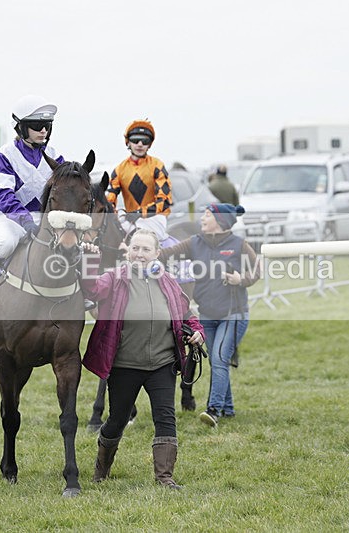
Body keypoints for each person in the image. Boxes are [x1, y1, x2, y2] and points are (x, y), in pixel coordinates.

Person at [82, 229, 204, 489]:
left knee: (166, 416)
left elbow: (186, 313)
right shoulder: (114, 278)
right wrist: (89, 260)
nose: (140, 254)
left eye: (146, 249)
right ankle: (101, 469)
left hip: (162, 364)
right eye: (135, 248)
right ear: (127, 249)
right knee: (117, 419)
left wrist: (197, 331)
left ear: (157, 253)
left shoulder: (168, 280)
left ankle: (164, 478)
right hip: (125, 365)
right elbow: (90, 289)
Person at [160, 203, 261, 428]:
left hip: (234, 315)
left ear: (221, 221)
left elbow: (257, 270)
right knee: (219, 361)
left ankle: (213, 410)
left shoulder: (238, 244)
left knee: (218, 359)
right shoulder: (195, 242)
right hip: (206, 315)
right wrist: (141, 250)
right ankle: (228, 409)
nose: (202, 219)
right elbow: (166, 254)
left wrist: (240, 280)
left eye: (207, 215)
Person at [0, 95, 63, 307]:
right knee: (3, 244)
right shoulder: (5, 155)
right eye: (37, 125)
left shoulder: (55, 156)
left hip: (45, 219)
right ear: (21, 127)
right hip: (12, 218)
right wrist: (25, 220)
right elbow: (2, 196)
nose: (43, 130)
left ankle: (84, 294)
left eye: (47, 125)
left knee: (71, 245)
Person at [107, 120, 173, 233]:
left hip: (154, 220)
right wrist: (115, 214)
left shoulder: (157, 166)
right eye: (135, 139)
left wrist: (139, 213)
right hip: (130, 221)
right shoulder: (119, 170)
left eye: (145, 141)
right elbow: (109, 200)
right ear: (128, 142)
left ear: (149, 144)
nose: (140, 144)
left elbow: (164, 201)